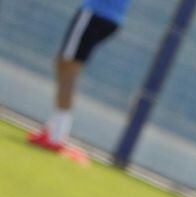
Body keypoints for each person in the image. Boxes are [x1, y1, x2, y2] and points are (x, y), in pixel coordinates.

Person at [28, 0, 132, 156]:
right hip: (108, 16)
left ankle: (56, 137)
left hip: (97, 13)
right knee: (66, 67)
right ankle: (55, 131)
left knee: (68, 68)